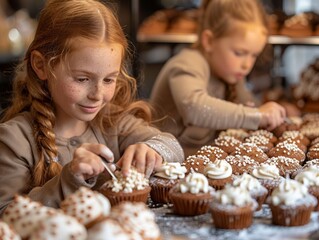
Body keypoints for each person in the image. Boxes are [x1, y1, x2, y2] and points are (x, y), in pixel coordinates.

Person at [0, 0, 184, 215]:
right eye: (82, 79)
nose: (97, 95)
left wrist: (153, 149)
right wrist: (67, 181)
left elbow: (173, 146)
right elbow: (7, 214)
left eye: (108, 80)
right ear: (41, 65)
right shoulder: (14, 140)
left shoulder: (114, 122)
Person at [149, 0, 287, 157]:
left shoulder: (230, 72)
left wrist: (273, 112)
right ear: (209, 41)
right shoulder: (187, 63)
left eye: (254, 55)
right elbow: (194, 108)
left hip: (203, 165)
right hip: (167, 164)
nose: (247, 65)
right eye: (239, 53)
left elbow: (249, 106)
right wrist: (256, 115)